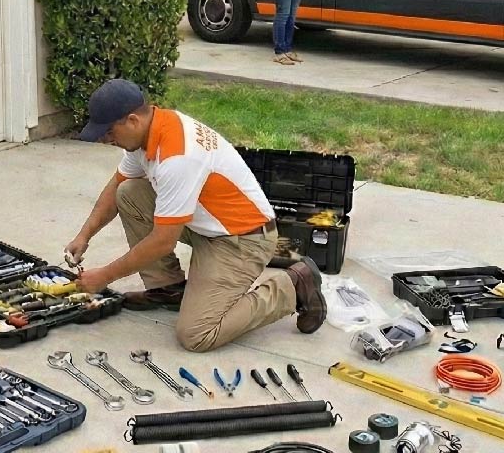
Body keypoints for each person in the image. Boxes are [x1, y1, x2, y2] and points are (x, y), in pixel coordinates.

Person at [65, 78, 326, 353]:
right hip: (206, 224)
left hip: (242, 240)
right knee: (129, 192)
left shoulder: (178, 156)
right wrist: (84, 235)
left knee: (197, 334)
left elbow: (163, 242)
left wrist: (105, 276)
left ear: (132, 120)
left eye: (109, 132)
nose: (107, 139)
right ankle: (169, 288)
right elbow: (118, 183)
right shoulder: (149, 131)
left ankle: (293, 285)